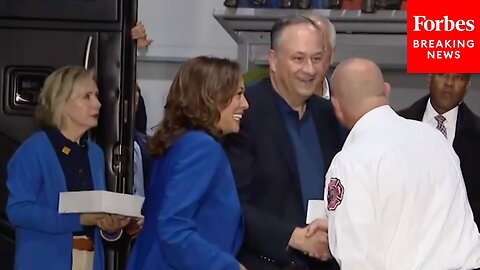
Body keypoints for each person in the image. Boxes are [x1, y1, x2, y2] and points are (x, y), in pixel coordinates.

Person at [309, 58, 480, 269]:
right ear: (386, 91)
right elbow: (420, 216)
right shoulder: (436, 139)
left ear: (336, 106)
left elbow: (359, 260)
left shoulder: (351, 162)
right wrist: (336, 226)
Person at [223, 15, 343, 269]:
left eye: (317, 59)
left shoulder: (330, 115)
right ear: (273, 60)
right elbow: (230, 202)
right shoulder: (244, 114)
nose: (310, 69)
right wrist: (293, 237)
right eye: (298, 58)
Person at [126, 56, 249, 270]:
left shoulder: (179, 144)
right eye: (238, 94)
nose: (245, 104)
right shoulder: (201, 148)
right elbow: (173, 228)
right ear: (211, 96)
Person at [5, 66, 131, 270]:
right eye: (87, 97)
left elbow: (96, 216)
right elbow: (17, 211)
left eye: (97, 96)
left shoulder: (95, 153)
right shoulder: (34, 150)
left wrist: (110, 228)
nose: (98, 104)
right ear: (61, 103)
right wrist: (78, 220)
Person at [397, 73, 480, 225]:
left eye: (458, 77)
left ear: (468, 85)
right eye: (442, 75)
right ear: (429, 78)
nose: (449, 83)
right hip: (402, 232)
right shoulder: (397, 125)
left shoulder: (476, 134)